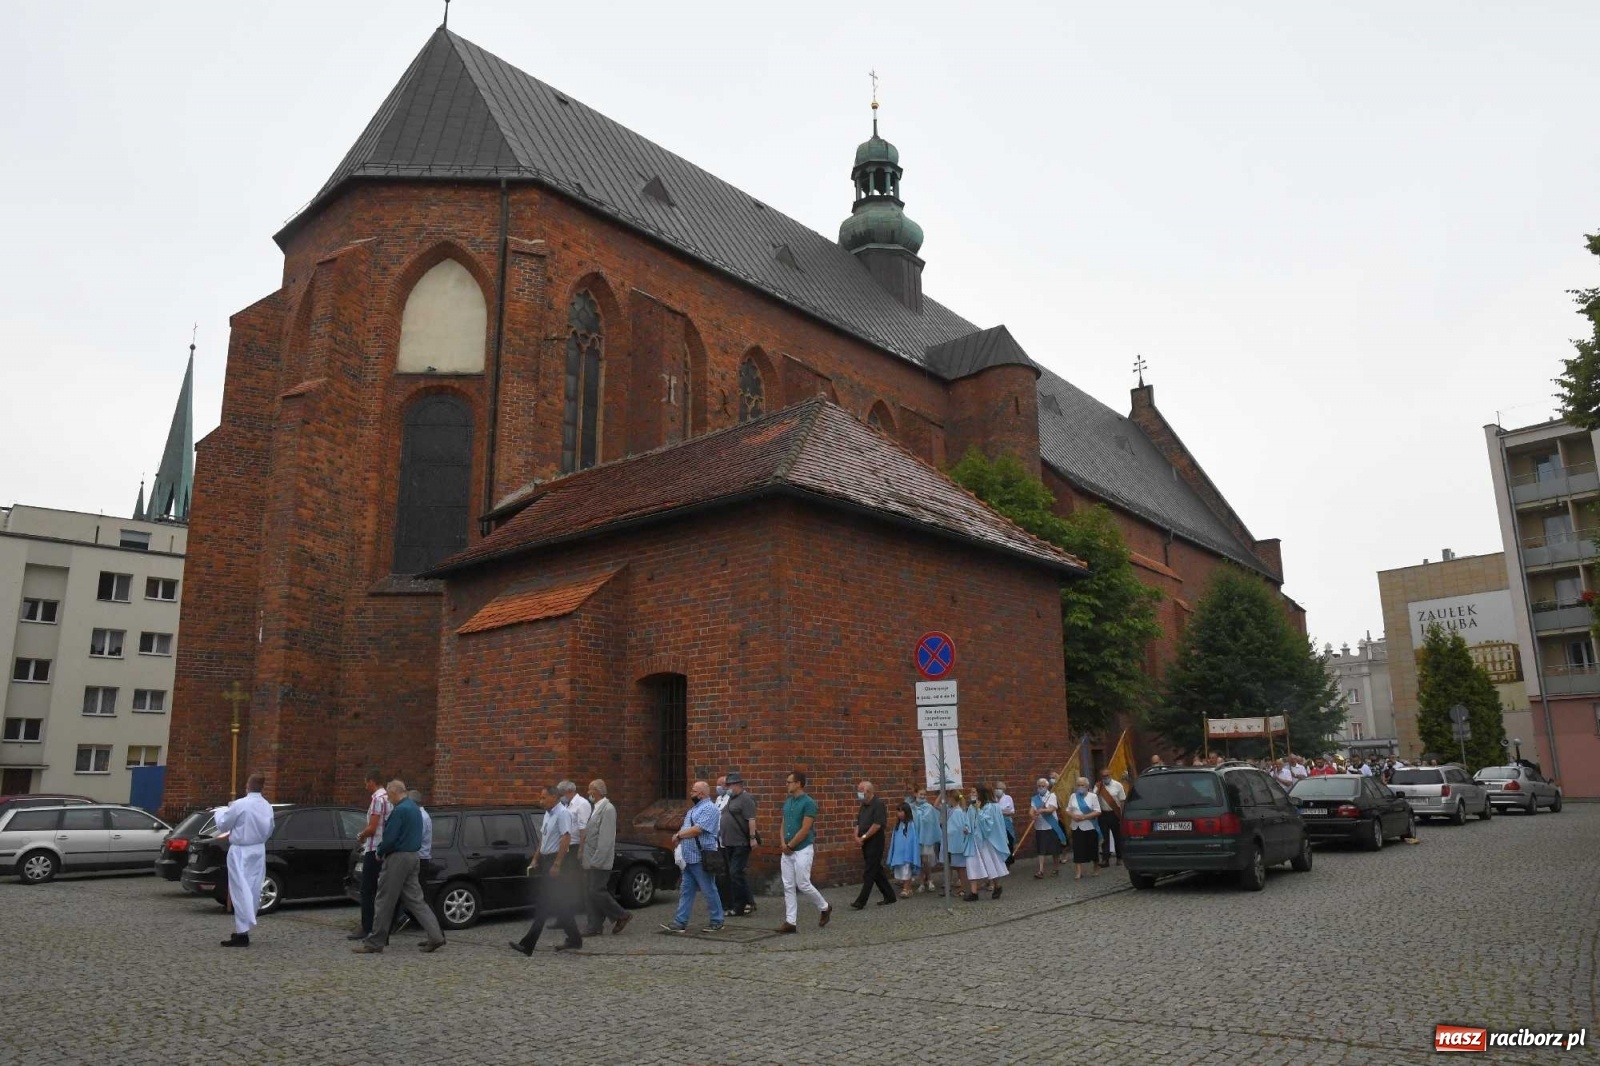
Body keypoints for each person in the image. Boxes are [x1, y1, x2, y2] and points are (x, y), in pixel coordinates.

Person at [353, 780, 446, 954]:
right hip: (413, 857)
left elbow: (390, 838)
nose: (388, 799)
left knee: (384, 899)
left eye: (389, 795)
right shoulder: (415, 809)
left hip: (398, 857)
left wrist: (380, 851)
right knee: (416, 900)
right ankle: (436, 936)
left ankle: (375, 942)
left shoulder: (400, 810)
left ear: (394, 792)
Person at [511, 786, 583, 955]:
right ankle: (575, 939)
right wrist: (536, 858)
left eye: (544, 798)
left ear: (554, 797)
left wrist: (557, 863)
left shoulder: (562, 813)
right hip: (546, 859)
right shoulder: (548, 814)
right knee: (560, 903)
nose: (540, 801)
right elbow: (543, 838)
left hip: (556, 860)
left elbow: (566, 838)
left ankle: (528, 944)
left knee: (544, 902)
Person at [214, 772, 274, 948]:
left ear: (248, 786)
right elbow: (270, 829)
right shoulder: (267, 806)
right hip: (258, 849)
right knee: (253, 886)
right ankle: (244, 927)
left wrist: (221, 811)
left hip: (241, 850)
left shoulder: (240, 804)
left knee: (240, 889)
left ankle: (243, 931)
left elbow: (223, 824)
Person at [663, 780, 725, 933]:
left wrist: (678, 834)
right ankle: (680, 922)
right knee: (686, 890)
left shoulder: (710, 809)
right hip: (689, 857)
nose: (691, 793)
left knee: (708, 889)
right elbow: (688, 828)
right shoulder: (693, 810)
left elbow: (698, 830)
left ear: (702, 793)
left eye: (693, 791)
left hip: (701, 857)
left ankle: (717, 920)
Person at [776, 770, 831, 933]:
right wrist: (783, 843)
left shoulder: (809, 803)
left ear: (798, 783)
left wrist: (791, 846)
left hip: (802, 849)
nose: (787, 784)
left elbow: (805, 829)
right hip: (787, 849)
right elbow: (783, 823)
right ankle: (790, 922)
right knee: (788, 885)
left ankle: (825, 906)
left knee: (803, 883)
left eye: (789, 782)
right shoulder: (788, 802)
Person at [580, 779, 631, 937]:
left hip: (599, 860)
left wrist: (597, 860)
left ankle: (621, 914)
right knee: (589, 893)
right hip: (590, 859)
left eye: (590, 790)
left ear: (598, 791)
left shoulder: (608, 809)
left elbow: (606, 839)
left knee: (596, 891)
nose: (588, 793)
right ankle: (594, 925)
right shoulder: (596, 808)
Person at [350, 768, 392, 942]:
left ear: (372, 781)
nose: (366, 786)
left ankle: (367, 926)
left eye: (366, 782)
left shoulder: (376, 799)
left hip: (374, 847)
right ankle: (384, 924)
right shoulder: (389, 798)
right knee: (382, 890)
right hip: (385, 848)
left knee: (367, 889)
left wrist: (361, 835)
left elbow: (373, 827)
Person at [850, 781, 896, 909]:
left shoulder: (878, 804)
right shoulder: (863, 805)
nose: (859, 794)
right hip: (865, 841)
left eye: (861, 791)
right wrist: (856, 836)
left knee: (870, 871)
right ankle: (890, 895)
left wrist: (863, 837)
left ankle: (861, 901)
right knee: (876, 870)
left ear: (869, 791)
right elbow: (858, 823)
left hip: (875, 840)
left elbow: (877, 825)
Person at [719, 771, 758, 917]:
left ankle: (740, 905)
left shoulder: (746, 799)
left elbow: (751, 819)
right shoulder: (730, 799)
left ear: (738, 785)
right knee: (735, 874)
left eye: (730, 785)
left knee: (735, 872)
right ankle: (746, 902)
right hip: (728, 842)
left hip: (741, 842)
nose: (727, 787)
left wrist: (752, 838)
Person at [965, 784, 1010, 900]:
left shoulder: (990, 807)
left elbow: (988, 825)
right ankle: (974, 893)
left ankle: (997, 886)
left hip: (986, 841)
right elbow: (969, 820)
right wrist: (966, 828)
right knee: (972, 863)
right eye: (971, 792)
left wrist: (979, 810)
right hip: (973, 840)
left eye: (974, 792)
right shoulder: (971, 807)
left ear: (980, 794)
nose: (971, 795)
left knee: (991, 863)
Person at [1065, 776, 1102, 880]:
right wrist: (1073, 816)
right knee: (1077, 849)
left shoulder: (1093, 796)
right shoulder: (1073, 796)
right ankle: (1079, 871)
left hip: (1090, 826)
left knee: (1092, 848)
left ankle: (1096, 866)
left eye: (1082, 785)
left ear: (1087, 786)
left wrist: (1084, 817)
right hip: (1076, 826)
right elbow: (1068, 809)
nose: (1080, 787)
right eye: (1078, 785)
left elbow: (1098, 811)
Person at [1030, 777, 1065, 878]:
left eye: (1042, 786)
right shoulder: (1035, 798)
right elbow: (1031, 809)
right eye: (1039, 786)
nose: (1040, 788)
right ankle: (1041, 870)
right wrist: (1032, 815)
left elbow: (1051, 809)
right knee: (1041, 850)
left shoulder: (1052, 795)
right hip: (1040, 828)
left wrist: (1041, 810)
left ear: (1047, 786)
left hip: (1051, 826)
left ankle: (1056, 868)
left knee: (1055, 850)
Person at [887, 802, 921, 898]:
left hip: (907, 854)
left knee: (907, 871)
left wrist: (910, 853)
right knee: (901, 872)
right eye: (898, 811)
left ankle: (906, 888)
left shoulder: (910, 825)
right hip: (899, 854)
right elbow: (894, 840)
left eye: (902, 811)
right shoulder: (897, 826)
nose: (900, 813)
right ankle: (908, 888)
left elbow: (912, 840)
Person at [911, 789, 941, 892]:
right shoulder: (912, 807)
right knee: (918, 861)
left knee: (925, 860)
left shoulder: (929, 807)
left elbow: (932, 820)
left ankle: (930, 880)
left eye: (924, 794)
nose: (922, 796)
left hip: (925, 838)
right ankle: (921, 882)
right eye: (921, 794)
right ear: (916, 794)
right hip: (916, 837)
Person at [1095, 768, 1126, 868]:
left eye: (1107, 776)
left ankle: (1119, 857)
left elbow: (1122, 801)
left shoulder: (1118, 785)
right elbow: (1093, 797)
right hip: (1103, 814)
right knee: (1104, 837)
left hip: (1115, 814)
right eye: (1103, 776)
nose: (1105, 778)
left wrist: (1122, 815)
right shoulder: (1099, 786)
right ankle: (1105, 859)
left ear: (1110, 775)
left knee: (1117, 836)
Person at [944, 789, 973, 895]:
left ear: (951, 799)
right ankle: (964, 887)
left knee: (961, 868)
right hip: (955, 844)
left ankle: (964, 888)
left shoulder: (958, 812)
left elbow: (959, 828)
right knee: (959, 867)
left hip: (958, 844)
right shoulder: (955, 810)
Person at [995, 781, 1017, 865]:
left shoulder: (1008, 798)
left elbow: (1011, 811)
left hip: (1007, 824)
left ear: (1004, 789)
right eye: (996, 788)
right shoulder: (993, 799)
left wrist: (999, 812)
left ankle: (1008, 863)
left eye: (1000, 788)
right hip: (997, 825)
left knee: (1009, 843)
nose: (998, 790)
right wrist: (1003, 811)